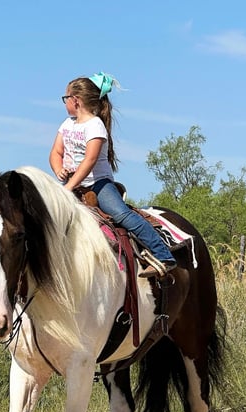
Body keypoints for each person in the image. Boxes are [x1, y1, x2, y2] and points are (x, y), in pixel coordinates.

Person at [49, 73, 177, 278]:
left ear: (76, 100)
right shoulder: (67, 124)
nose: (65, 102)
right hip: (70, 184)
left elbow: (89, 161)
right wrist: (58, 170)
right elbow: (56, 152)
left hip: (98, 184)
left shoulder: (95, 126)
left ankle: (163, 255)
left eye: (66, 98)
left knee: (120, 214)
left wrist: (68, 187)